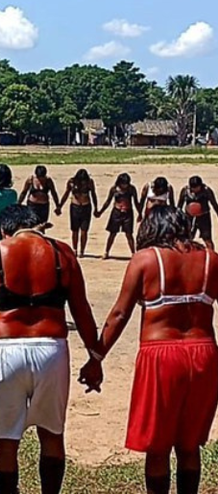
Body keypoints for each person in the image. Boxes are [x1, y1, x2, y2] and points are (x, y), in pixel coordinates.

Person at [0, 205, 102, 494]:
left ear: (5, 230)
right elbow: (81, 309)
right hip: (51, 349)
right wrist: (95, 357)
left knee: (6, 439)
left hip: (6, 350)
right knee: (52, 433)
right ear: (39, 225)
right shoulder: (63, 253)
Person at [87, 206, 218, 494]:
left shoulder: (145, 260)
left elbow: (120, 314)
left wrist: (96, 357)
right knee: (189, 443)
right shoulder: (211, 259)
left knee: (157, 447)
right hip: (205, 353)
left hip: (161, 355)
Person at [96, 173, 139, 259]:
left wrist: (140, 213)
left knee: (129, 234)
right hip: (116, 212)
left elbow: (136, 202)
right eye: (123, 183)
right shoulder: (114, 189)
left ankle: (133, 253)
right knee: (112, 233)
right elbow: (108, 201)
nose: (125, 185)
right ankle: (106, 252)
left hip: (128, 212)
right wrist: (100, 211)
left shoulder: (131, 189)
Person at [56, 169, 98, 257]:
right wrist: (60, 206)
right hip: (75, 207)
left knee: (84, 231)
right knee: (75, 230)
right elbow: (66, 194)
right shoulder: (71, 182)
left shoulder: (89, 182)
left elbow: (93, 194)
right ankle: (75, 249)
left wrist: (96, 208)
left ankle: (82, 250)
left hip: (86, 207)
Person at [178, 175, 218, 251]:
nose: (194, 189)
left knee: (207, 238)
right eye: (192, 187)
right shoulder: (185, 191)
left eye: (196, 187)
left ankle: (211, 253)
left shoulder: (206, 191)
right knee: (188, 237)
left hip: (203, 217)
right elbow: (179, 205)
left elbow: (214, 204)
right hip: (189, 217)